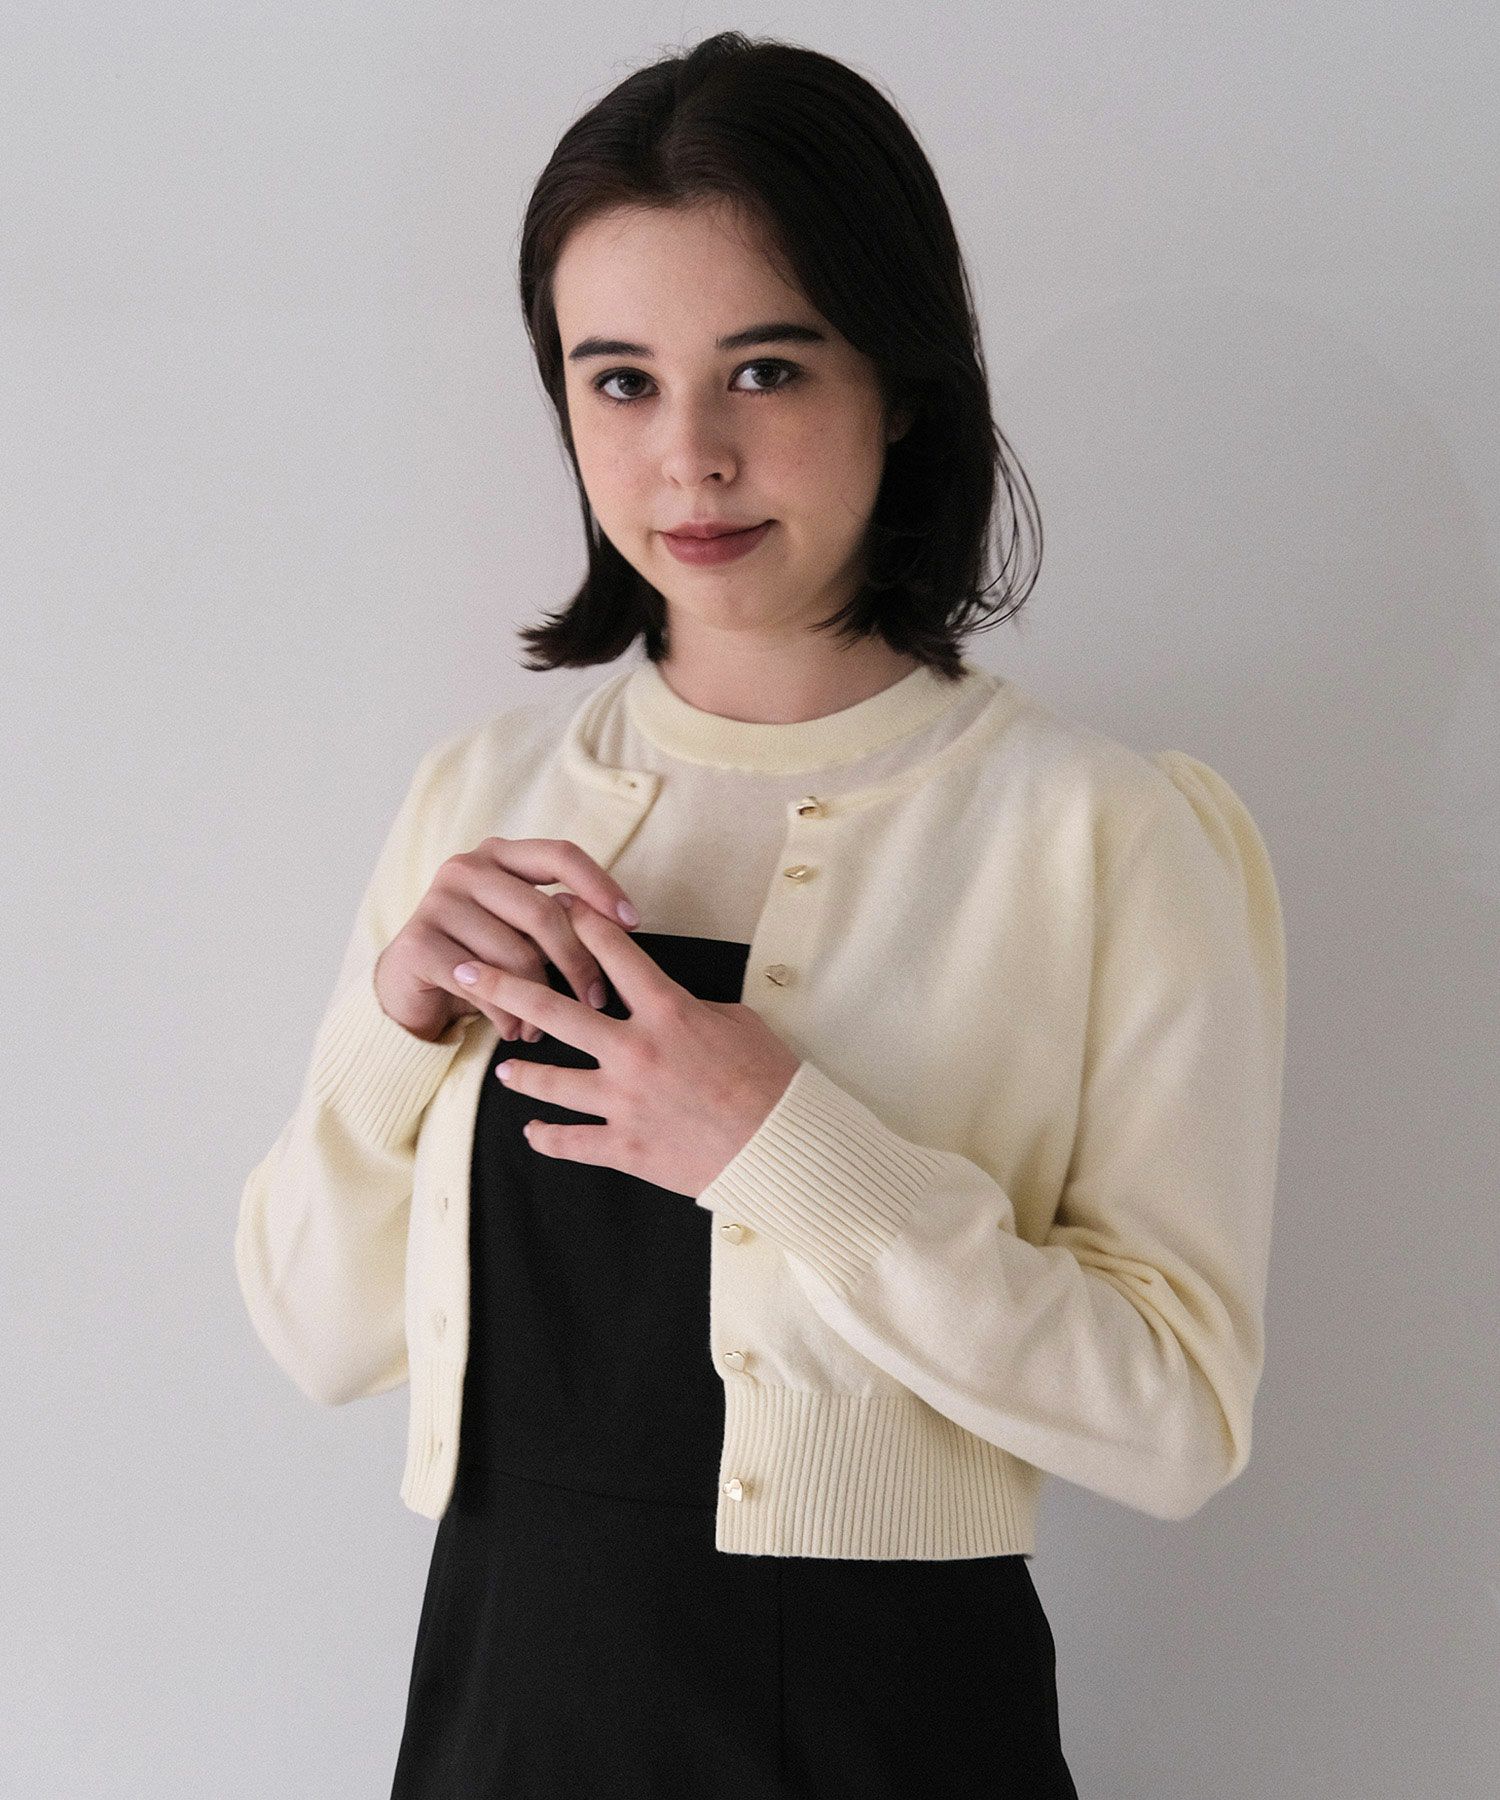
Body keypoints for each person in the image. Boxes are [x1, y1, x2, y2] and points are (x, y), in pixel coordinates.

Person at [235, 31, 1286, 1799]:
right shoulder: (480, 798)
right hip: (501, 1715)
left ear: (904, 385)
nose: (690, 459)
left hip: (888, 1734)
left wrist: (781, 1143)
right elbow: (314, 1332)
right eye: (621, 382)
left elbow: (1174, 1421)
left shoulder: (1106, 838)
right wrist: (393, 1038)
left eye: (766, 369)